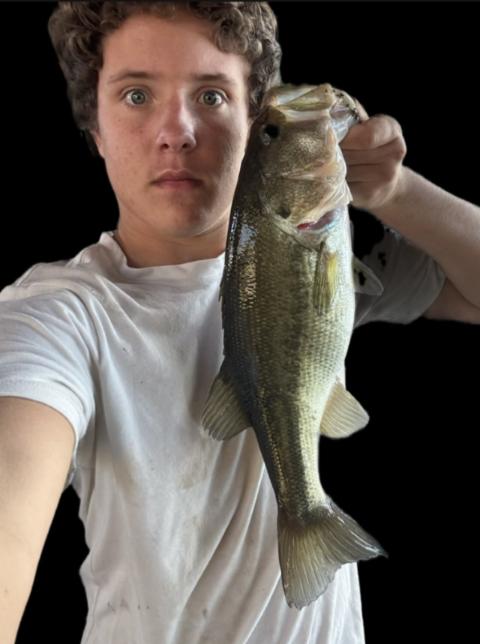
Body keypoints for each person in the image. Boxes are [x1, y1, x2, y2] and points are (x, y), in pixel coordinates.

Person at [0, 2, 479, 643]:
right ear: (97, 130)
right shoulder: (56, 315)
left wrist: (397, 193)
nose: (177, 132)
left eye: (211, 95)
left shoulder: (325, 260)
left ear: (253, 123)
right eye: (137, 95)